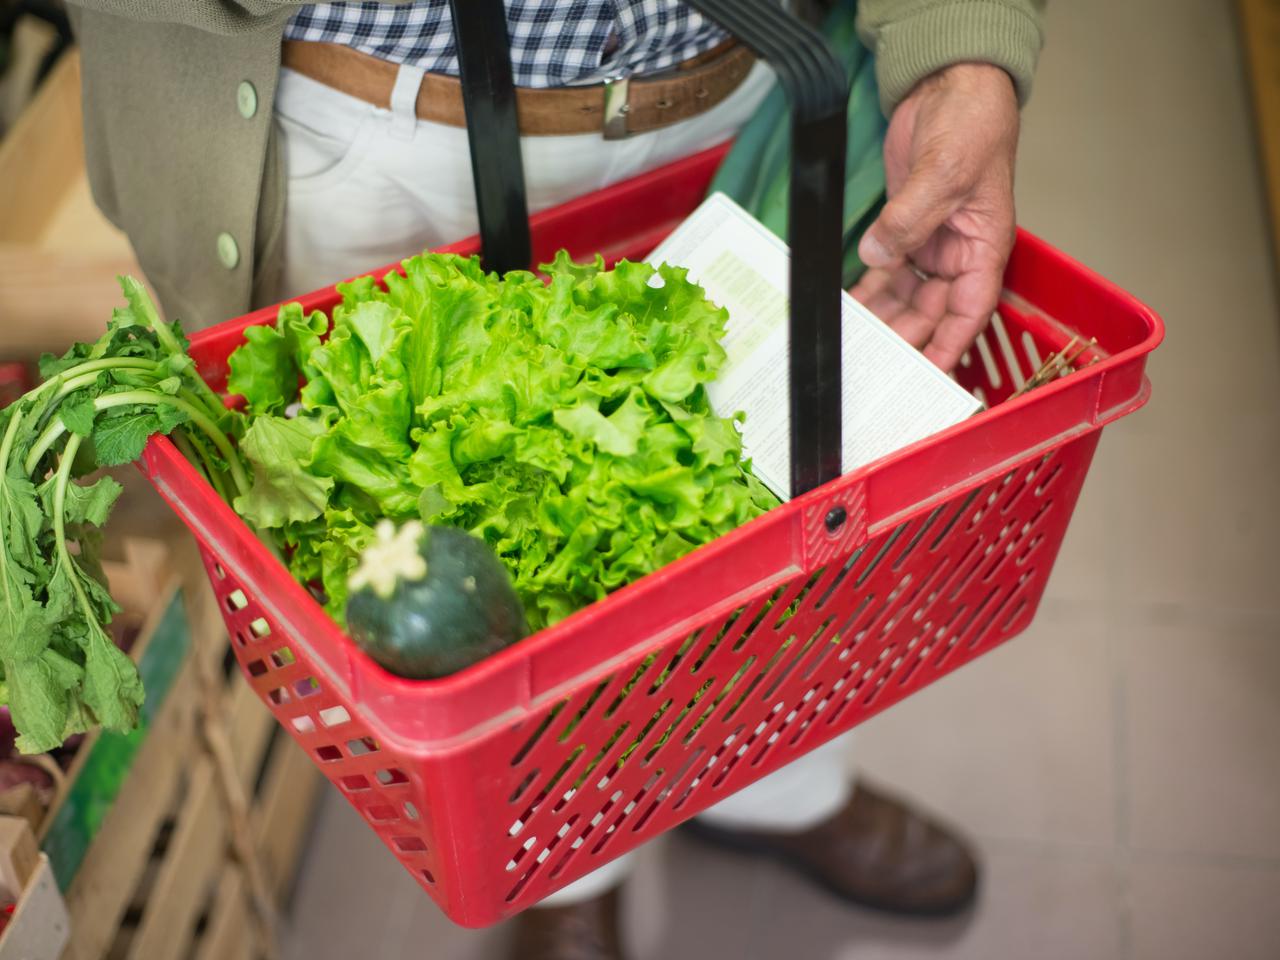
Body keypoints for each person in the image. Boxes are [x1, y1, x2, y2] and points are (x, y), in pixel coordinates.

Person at [63, 2, 1045, 958]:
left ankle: (770, 784)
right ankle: (571, 869)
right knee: (498, 599)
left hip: (737, 81)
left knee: (767, 495)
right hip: (375, 128)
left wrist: (963, 38)